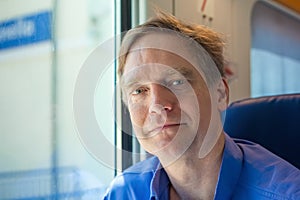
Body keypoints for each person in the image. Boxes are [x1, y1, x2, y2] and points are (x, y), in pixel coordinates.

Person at [103, 11, 300, 200]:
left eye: (177, 82)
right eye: (138, 90)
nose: (157, 106)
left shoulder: (288, 194)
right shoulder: (123, 193)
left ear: (220, 94)